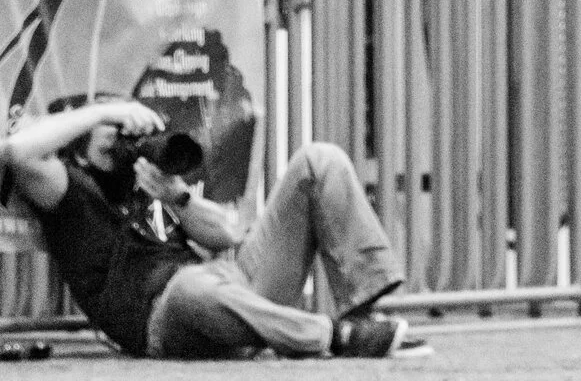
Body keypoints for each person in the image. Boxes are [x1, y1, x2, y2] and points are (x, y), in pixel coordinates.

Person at [3, 95, 425, 359]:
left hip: (230, 286)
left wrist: (177, 197)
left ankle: (364, 309)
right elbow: (15, 152)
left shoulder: (147, 179)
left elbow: (228, 236)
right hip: (165, 316)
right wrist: (104, 109)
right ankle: (336, 336)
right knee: (191, 289)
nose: (122, 140)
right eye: (110, 134)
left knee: (319, 159)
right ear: (76, 150)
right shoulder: (69, 192)